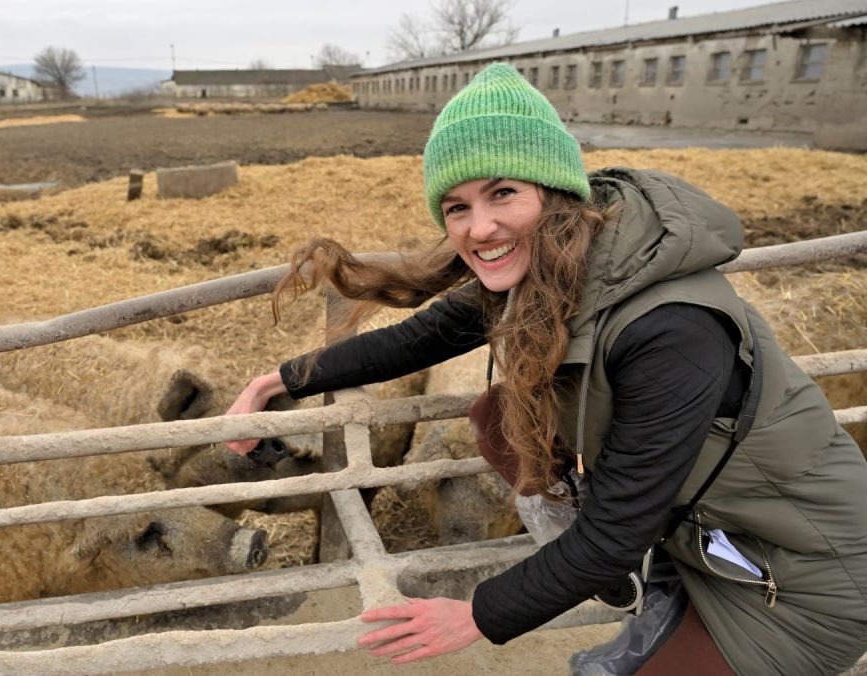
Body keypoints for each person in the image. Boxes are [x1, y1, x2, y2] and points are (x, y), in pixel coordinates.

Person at [225, 63, 867, 674]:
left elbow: (613, 531)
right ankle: (656, 582)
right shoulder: (556, 270)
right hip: (701, 533)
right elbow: (423, 336)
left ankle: (646, 581)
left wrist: (479, 614)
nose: (481, 227)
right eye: (457, 207)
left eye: (503, 192)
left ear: (556, 193)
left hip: (805, 577)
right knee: (498, 414)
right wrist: (278, 380)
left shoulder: (670, 328)